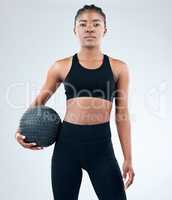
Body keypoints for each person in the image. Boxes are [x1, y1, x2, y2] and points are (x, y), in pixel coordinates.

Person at [15, 4, 135, 200]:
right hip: (66, 146)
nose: (89, 28)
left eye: (96, 24)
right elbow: (38, 104)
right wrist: (20, 131)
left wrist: (128, 158)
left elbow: (122, 115)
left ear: (104, 30)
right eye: (83, 24)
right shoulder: (60, 66)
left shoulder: (118, 67)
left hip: (101, 148)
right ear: (75, 30)